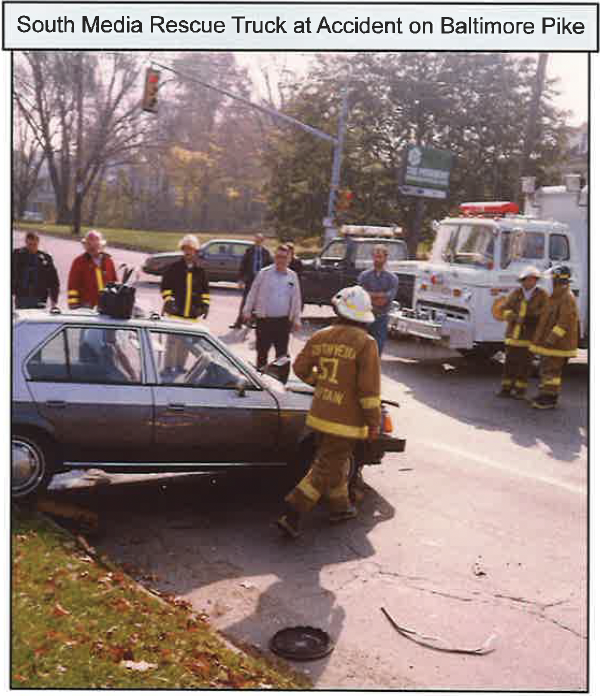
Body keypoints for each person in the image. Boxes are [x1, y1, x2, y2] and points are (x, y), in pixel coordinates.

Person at [276, 285, 381, 539]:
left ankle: (340, 508)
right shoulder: (366, 343)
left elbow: (300, 369)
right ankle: (293, 511)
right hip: (345, 421)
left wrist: (320, 383)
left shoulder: (321, 335)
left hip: (320, 413)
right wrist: (374, 423)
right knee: (326, 467)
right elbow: (368, 390)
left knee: (334, 463)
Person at [242, 244, 302, 370]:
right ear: (275, 257)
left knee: (282, 356)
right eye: (279, 256)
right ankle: (260, 381)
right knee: (262, 353)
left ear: (289, 259)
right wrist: (247, 311)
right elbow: (252, 293)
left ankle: (281, 382)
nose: (281, 260)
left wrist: (297, 319)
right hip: (264, 320)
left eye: (284, 257)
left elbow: (296, 299)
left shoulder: (292, 276)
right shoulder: (264, 273)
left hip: (283, 321)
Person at [529, 265, 579, 410]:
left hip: (558, 344)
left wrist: (551, 339)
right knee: (546, 370)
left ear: (557, 281)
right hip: (551, 344)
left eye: (551, 280)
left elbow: (564, 322)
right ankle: (545, 393)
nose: (548, 283)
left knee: (552, 372)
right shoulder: (555, 297)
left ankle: (549, 398)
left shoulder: (567, 297)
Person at [160, 235, 211, 374]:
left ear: (195, 251)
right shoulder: (174, 268)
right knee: (172, 342)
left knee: (186, 343)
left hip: (192, 314)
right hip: (176, 312)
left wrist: (205, 305)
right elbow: (165, 287)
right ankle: (168, 367)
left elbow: (205, 291)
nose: (188, 252)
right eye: (186, 249)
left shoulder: (200, 270)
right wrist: (168, 300)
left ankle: (180, 366)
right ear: (182, 250)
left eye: (191, 249)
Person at [496, 266, 548, 399]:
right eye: (528, 279)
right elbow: (504, 309)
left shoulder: (542, 295)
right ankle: (506, 389)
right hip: (513, 336)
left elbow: (546, 312)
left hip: (529, 336)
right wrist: (512, 317)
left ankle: (520, 391)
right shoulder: (516, 293)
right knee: (509, 363)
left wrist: (532, 318)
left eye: (534, 279)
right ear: (523, 280)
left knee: (525, 365)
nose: (531, 282)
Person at [358, 245, 399, 356]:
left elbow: (387, 299)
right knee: (361, 347)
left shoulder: (392, 278)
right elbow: (361, 295)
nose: (377, 259)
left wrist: (372, 296)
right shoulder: (364, 276)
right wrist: (379, 295)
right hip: (364, 317)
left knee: (377, 349)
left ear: (385, 258)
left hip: (381, 318)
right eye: (375, 256)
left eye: (380, 257)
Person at [230, 233, 273, 329]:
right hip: (250, 279)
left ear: (263, 241)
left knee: (259, 302)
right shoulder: (249, 251)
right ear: (254, 240)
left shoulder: (266, 252)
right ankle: (239, 322)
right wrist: (241, 279)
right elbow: (243, 265)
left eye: (260, 240)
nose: (258, 242)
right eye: (256, 240)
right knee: (245, 301)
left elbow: (270, 266)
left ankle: (253, 321)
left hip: (261, 280)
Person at [67, 229, 117, 309]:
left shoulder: (108, 261)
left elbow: (114, 283)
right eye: (89, 245)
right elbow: (72, 285)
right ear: (85, 246)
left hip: (106, 305)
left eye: (95, 245)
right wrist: (73, 305)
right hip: (86, 306)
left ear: (101, 245)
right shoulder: (79, 262)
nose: (92, 248)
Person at [12, 231, 59, 309]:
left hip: (40, 297)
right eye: (30, 244)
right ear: (26, 242)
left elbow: (53, 281)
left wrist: (54, 301)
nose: (32, 247)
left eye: (35, 245)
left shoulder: (45, 258)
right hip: (22, 296)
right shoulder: (17, 255)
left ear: (38, 242)